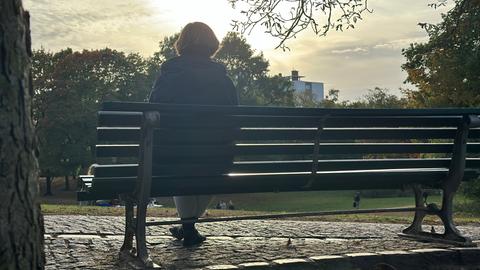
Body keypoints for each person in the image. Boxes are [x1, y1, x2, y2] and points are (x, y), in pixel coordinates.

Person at [149, 22, 238, 247]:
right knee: (208, 166)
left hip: (174, 156)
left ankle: (187, 227)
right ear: (212, 45)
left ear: (182, 44)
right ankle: (188, 226)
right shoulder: (224, 80)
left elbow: (153, 110)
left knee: (184, 163)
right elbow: (234, 119)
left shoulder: (169, 75)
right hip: (217, 157)